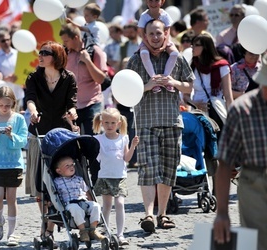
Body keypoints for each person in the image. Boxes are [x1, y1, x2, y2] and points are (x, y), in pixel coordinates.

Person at [126, 19, 194, 233]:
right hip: (146, 122)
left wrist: (173, 83)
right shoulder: (136, 60)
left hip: (172, 121)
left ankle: (162, 214)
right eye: (151, 34)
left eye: (159, 33)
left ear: (166, 33)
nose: (155, 37)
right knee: (147, 169)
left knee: (167, 170)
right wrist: (148, 86)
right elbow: (127, 92)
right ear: (145, 36)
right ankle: (148, 214)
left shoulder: (177, 58)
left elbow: (189, 86)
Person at [24, 41, 78, 247]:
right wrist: (32, 110)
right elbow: (30, 98)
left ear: (56, 57)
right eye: (40, 52)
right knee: (41, 186)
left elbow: (72, 103)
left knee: (61, 181)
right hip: (39, 133)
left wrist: (73, 112)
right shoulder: (34, 77)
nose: (40, 55)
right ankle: (46, 227)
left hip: (61, 136)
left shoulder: (69, 78)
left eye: (45, 52)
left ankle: (63, 222)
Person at [213, 54, 267, 250]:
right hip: (254, 184)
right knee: (259, 244)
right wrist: (222, 213)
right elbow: (225, 163)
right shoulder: (242, 109)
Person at [0, 86, 28, 246]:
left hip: (14, 164)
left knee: (11, 198)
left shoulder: (18, 119)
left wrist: (11, 135)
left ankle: (12, 233)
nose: (4, 108)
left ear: (13, 103)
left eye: (7, 105)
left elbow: (23, 140)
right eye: (1, 105)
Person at [92, 108, 139, 245]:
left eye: (113, 123)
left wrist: (133, 146)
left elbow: (127, 159)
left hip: (120, 176)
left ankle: (120, 234)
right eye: (106, 123)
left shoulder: (124, 138)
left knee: (119, 204)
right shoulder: (98, 139)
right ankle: (106, 232)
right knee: (107, 206)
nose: (110, 126)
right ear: (101, 123)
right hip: (105, 176)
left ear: (118, 123)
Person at [59, 23, 108, 136]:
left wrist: (87, 61)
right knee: (72, 142)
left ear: (75, 38)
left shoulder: (95, 51)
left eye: (66, 41)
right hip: (72, 106)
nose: (64, 44)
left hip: (92, 104)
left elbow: (101, 79)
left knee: (93, 140)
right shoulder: (65, 53)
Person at [183, 34, 233, 134]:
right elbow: (185, 96)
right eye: (192, 44)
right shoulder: (192, 66)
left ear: (206, 47)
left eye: (196, 45)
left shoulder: (222, 66)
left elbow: (228, 96)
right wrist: (195, 104)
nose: (192, 47)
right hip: (198, 114)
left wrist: (232, 119)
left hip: (217, 111)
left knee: (219, 144)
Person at [53, 156, 105, 242]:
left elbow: (87, 191)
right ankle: (83, 231)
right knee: (75, 209)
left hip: (83, 201)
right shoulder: (57, 181)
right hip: (70, 203)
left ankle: (93, 230)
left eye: (72, 164)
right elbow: (54, 194)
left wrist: (91, 201)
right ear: (59, 171)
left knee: (96, 206)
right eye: (67, 166)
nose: (71, 167)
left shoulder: (79, 179)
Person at [138, 0, 180, 93]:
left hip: (164, 41)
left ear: (162, 2)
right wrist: (149, 47)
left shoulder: (165, 15)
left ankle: (165, 79)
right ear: (146, 2)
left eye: (156, 0)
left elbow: (167, 33)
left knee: (174, 53)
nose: (153, 3)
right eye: (150, 1)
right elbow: (142, 34)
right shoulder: (143, 16)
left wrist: (163, 46)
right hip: (147, 41)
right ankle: (154, 79)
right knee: (144, 52)